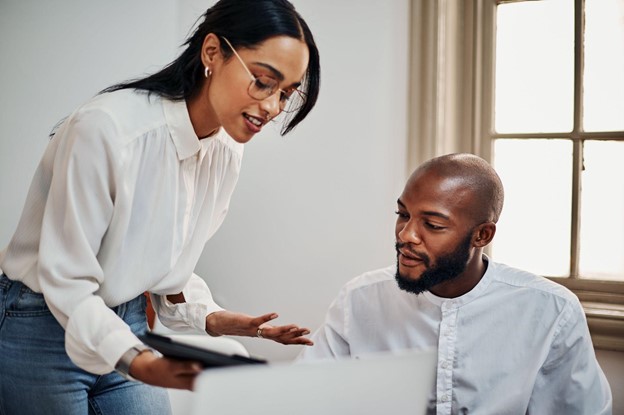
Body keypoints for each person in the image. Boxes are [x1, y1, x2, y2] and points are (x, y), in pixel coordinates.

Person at [0, 0, 320, 414]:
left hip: (126, 321)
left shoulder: (225, 150)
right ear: (212, 52)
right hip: (41, 326)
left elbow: (165, 264)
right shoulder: (107, 131)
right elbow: (66, 281)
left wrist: (212, 318)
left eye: (286, 94)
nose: (273, 107)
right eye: (262, 82)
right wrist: (142, 362)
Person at [299, 153, 612, 414]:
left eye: (433, 225)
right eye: (402, 214)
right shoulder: (360, 299)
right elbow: (305, 399)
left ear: (482, 235)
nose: (406, 235)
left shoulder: (551, 311)